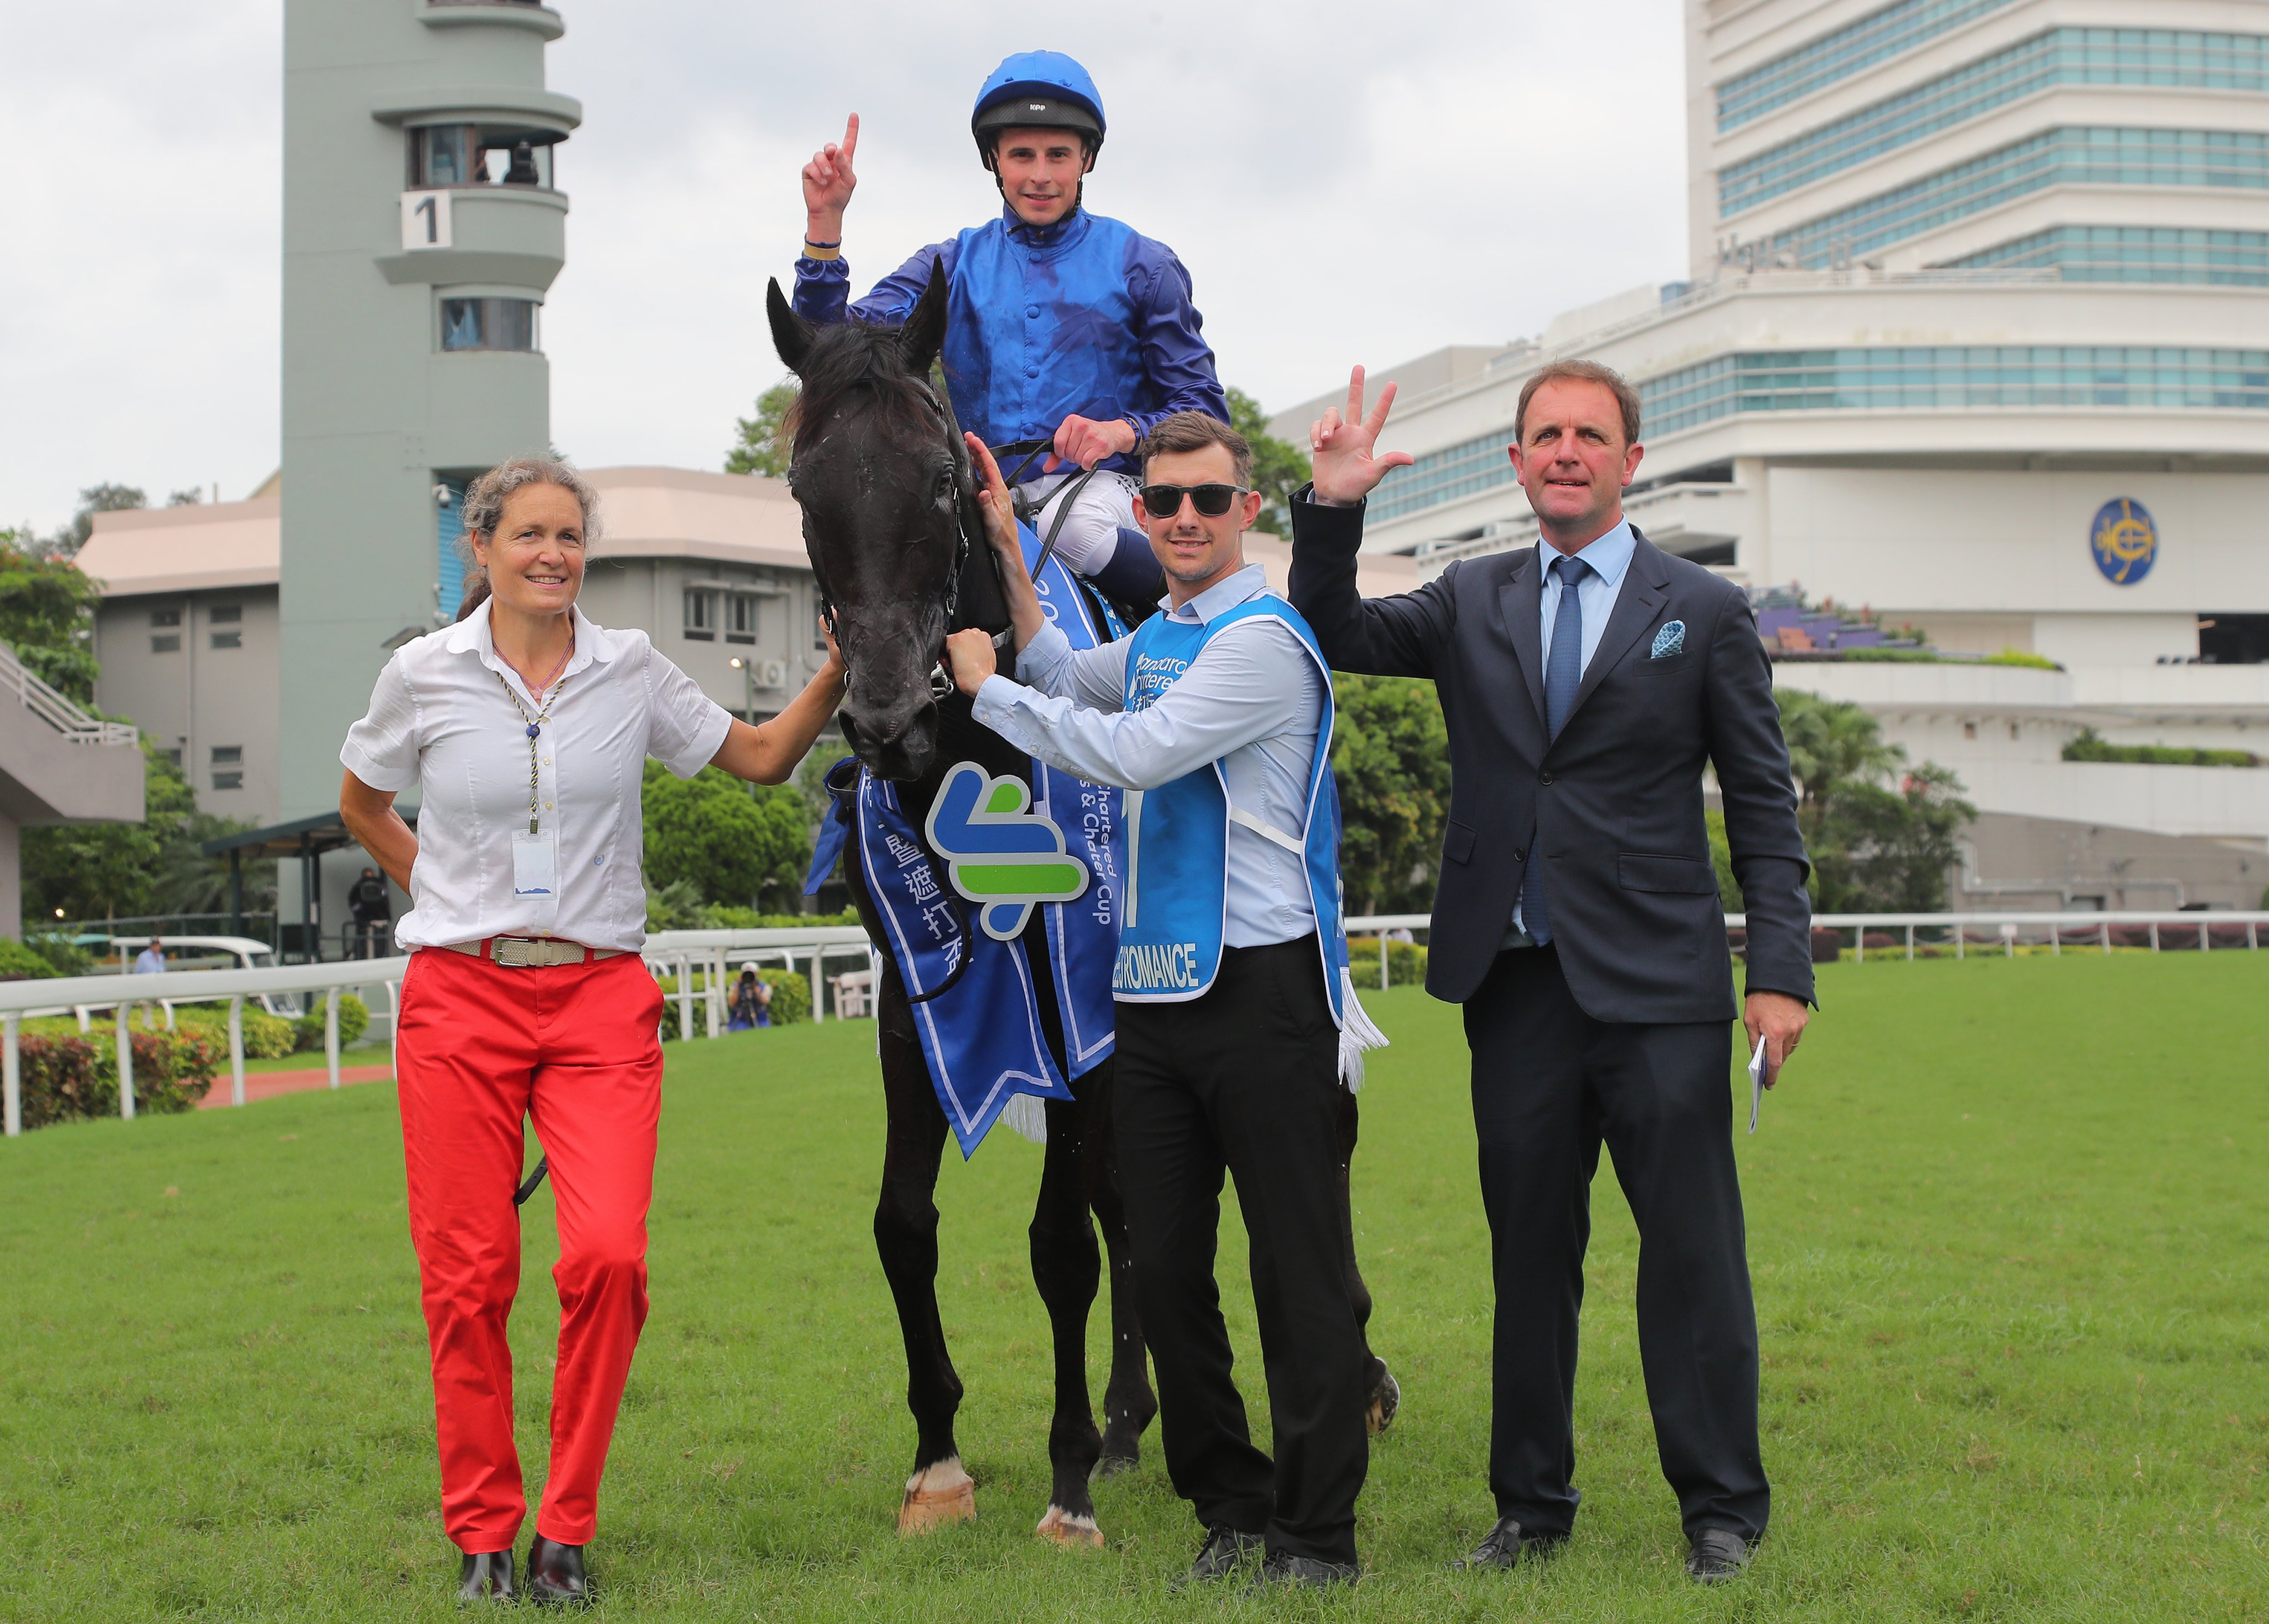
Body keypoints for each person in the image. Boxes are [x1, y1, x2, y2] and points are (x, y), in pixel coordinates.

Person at [1286, 364, 1816, 1582]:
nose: (1564, 451)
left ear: (1630, 457)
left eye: (1589, 434)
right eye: (1543, 436)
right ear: (1515, 464)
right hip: (1514, 982)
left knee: (1690, 1254)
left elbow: (1760, 803)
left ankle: (1721, 1510)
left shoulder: (1705, 608)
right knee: (1527, 1258)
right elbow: (1335, 632)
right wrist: (1331, 510)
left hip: (1661, 988)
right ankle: (1529, 1507)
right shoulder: (1471, 595)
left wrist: (1777, 969)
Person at [338, 457, 846, 1606]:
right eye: (528, 535)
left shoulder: (631, 670)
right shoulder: (420, 673)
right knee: (468, 1278)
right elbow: (360, 801)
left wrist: (835, 674)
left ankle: (564, 1525)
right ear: (482, 548)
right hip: (459, 998)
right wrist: (442, 891)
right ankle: (483, 1533)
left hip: (598, 996)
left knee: (607, 1256)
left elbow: (760, 756)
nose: (552, 555)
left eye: (569, 535)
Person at [943, 412, 1374, 1589]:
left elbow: (1133, 750)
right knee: (1165, 1269)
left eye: (1207, 500)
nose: (1184, 517)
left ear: (1247, 512)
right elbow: (1058, 671)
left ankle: (1314, 1533)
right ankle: (1229, 1508)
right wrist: (1000, 537)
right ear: (1139, 515)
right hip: (1155, 998)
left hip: (1264, 989)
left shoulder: (1262, 639)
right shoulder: (1155, 634)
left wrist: (984, 695)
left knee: (1294, 1269)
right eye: (1163, 501)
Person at [792, 51, 1229, 605]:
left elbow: (1205, 413)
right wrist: (824, 226)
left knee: (1070, 531)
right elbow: (829, 349)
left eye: (1058, 155)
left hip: (1104, 492)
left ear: (1086, 160)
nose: (1040, 176)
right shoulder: (949, 265)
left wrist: (1119, 433)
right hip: (976, 491)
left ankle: (1208, 613)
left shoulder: (1144, 265)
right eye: (1022, 155)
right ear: (995, 161)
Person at [349, 866, 392, 959]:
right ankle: (360, 956)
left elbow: (385, 902)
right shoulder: (358, 887)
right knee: (363, 941)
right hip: (364, 920)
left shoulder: (380, 887)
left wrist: (385, 914)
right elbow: (354, 903)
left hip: (380, 919)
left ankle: (381, 956)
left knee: (381, 941)